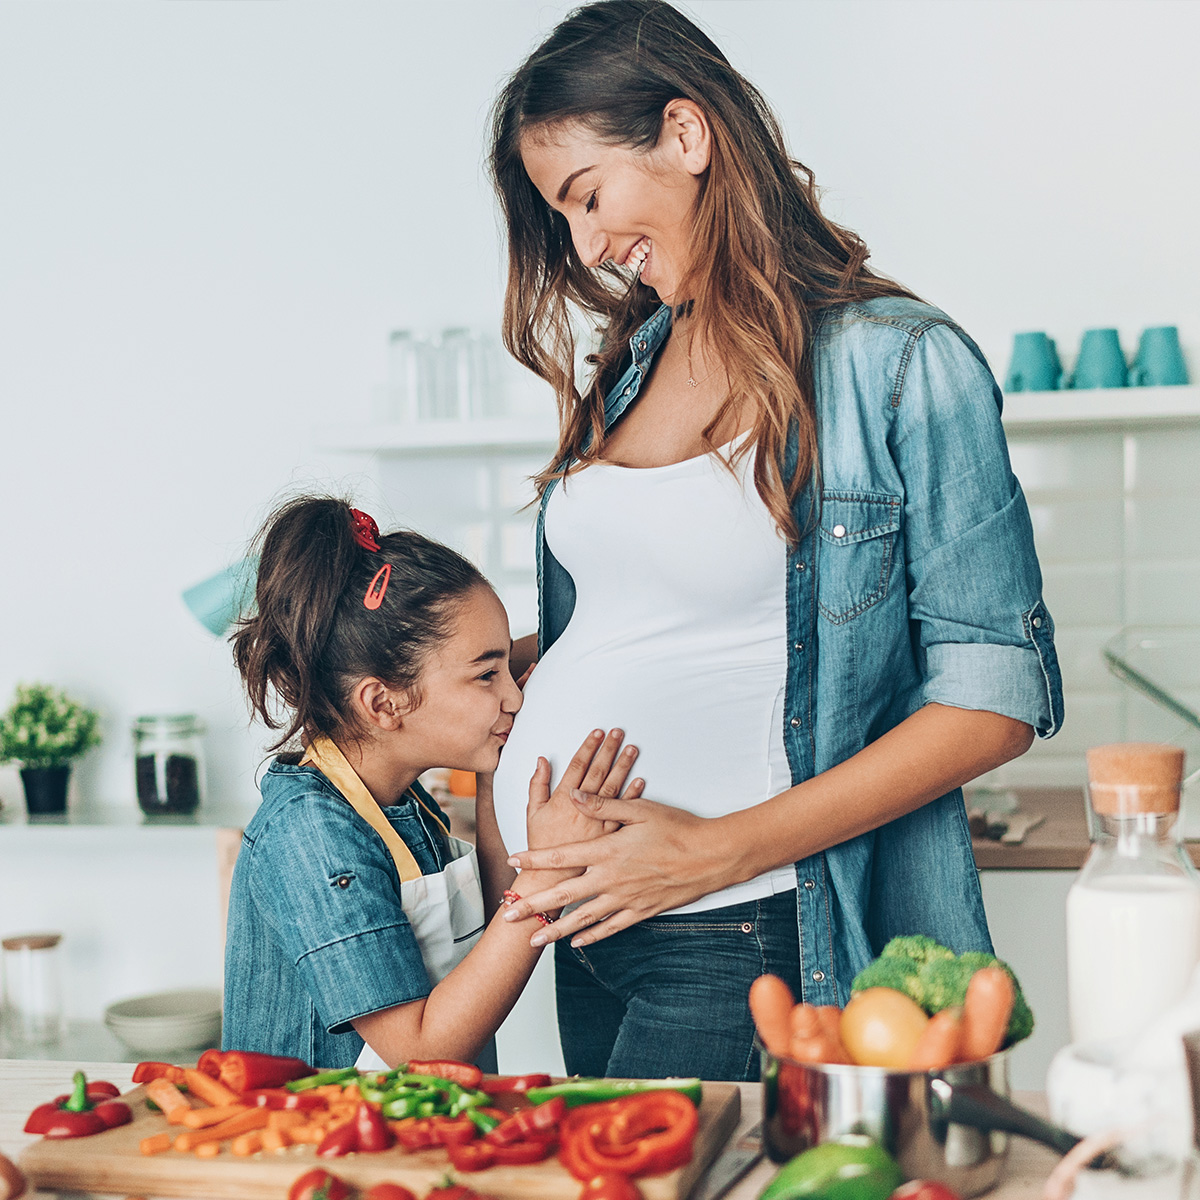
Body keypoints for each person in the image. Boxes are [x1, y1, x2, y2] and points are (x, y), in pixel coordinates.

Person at [486, 0, 1064, 1082]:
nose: (588, 246)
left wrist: (708, 850)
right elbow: (663, 618)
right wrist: (473, 679)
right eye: (562, 216)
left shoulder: (901, 363)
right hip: (587, 928)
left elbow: (994, 699)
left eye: (588, 196)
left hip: (741, 928)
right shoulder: (636, 363)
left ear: (687, 135)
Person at [221, 496, 642, 1068]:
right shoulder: (312, 835)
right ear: (384, 703)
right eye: (486, 675)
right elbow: (420, 1048)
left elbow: (496, 917)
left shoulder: (404, 801)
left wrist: (499, 773)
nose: (513, 695)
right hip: (318, 1143)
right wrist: (548, 875)